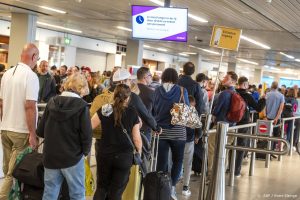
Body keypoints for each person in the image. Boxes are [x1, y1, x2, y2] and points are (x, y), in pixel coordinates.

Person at [37, 73, 92, 200]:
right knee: (77, 194)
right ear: (81, 88)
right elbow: (86, 135)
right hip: (72, 157)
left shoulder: (51, 102)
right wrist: (85, 152)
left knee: (50, 192)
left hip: (51, 156)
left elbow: (40, 131)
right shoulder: (82, 106)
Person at [0, 43, 40, 199]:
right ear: (33, 56)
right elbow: (30, 106)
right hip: (21, 131)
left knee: (6, 170)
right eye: (38, 58)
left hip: (5, 129)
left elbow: (1, 103)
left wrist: (4, 123)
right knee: (12, 172)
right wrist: (32, 133)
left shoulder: (7, 74)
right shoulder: (31, 76)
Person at [91, 84, 142, 199]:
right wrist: (139, 152)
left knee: (102, 187)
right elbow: (136, 139)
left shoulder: (105, 109)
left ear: (114, 95)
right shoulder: (132, 112)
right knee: (116, 191)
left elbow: (89, 126)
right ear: (128, 98)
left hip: (105, 154)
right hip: (124, 157)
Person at [153, 68, 189, 200]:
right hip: (178, 130)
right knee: (178, 160)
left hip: (160, 130)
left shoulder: (157, 90)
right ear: (176, 77)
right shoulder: (181, 90)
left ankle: (162, 189)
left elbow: (153, 109)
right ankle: (172, 187)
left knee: (161, 162)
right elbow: (186, 108)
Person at [208, 71, 238, 181]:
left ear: (233, 81)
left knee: (211, 149)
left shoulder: (224, 93)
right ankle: (221, 175)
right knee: (225, 150)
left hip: (220, 127)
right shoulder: (236, 94)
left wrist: (213, 116)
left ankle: (211, 176)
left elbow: (216, 110)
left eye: (227, 77)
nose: (224, 78)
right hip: (232, 127)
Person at [234, 77, 266, 176]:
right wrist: (263, 99)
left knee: (230, 146)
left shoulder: (233, 93)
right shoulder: (247, 95)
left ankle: (228, 168)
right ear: (244, 85)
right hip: (243, 123)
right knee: (240, 146)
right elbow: (258, 108)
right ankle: (236, 171)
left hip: (231, 123)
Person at [182, 96, 197, 196]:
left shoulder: (178, 108)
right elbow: (198, 128)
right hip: (189, 140)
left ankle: (171, 184)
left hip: (177, 139)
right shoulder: (193, 111)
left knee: (175, 161)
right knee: (188, 164)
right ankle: (185, 187)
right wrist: (198, 136)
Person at [265, 81, 285, 152]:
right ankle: (272, 150)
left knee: (267, 134)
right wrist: (276, 118)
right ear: (277, 87)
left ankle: (266, 149)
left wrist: (265, 116)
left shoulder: (267, 94)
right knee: (275, 135)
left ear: (271, 86)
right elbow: (281, 108)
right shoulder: (281, 96)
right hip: (276, 119)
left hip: (267, 117)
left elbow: (265, 106)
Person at [137, 67, 155, 141]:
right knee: (145, 151)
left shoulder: (130, 90)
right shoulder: (150, 92)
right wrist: (155, 126)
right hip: (145, 128)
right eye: (150, 75)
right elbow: (153, 112)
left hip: (131, 126)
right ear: (145, 77)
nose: (151, 77)